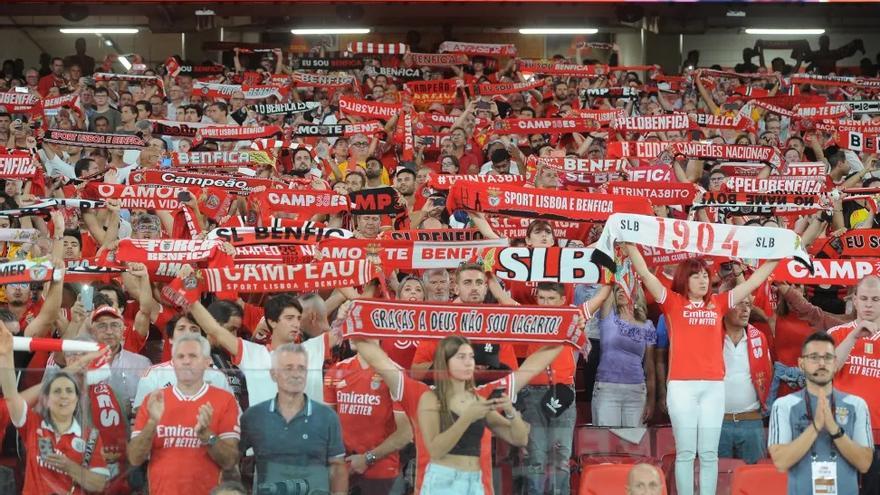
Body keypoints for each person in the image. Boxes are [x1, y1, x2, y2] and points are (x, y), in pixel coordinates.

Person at [624, 245, 780, 495]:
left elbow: (754, 283)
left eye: (706, 275)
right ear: (684, 279)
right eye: (696, 275)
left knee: (708, 454)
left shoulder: (718, 303)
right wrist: (629, 243)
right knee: (686, 452)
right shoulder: (672, 302)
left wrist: (779, 255)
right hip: (682, 387)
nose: (702, 279)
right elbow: (644, 272)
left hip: (713, 387)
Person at [0, 322, 110, 494]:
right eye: (57, 391)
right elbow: (11, 398)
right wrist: (5, 355)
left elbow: (100, 484)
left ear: (76, 399)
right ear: (47, 399)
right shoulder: (33, 423)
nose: (64, 396)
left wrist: (69, 467)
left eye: (68, 391)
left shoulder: (90, 436)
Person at [128, 334, 241, 495]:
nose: (186, 361)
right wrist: (152, 423)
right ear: (173, 362)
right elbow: (134, 458)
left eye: (193, 356)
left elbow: (230, 460)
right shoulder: (154, 400)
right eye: (180, 356)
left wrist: (206, 434)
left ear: (207, 361)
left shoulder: (224, 400)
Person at [768, 332, 874, 494]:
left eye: (828, 357)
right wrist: (816, 426)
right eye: (814, 357)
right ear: (801, 363)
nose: (822, 363)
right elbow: (781, 462)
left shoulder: (857, 405)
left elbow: (865, 463)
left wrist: (834, 429)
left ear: (835, 362)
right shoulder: (783, 405)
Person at [240, 343, 348, 495]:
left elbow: (337, 466)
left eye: (301, 368)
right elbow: (232, 462)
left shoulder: (327, 417)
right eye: (288, 368)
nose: (296, 374)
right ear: (273, 374)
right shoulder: (253, 417)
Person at [325, 339, 413, 495]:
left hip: (382, 472)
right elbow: (327, 426)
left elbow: (406, 433)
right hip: (344, 471)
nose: (353, 335)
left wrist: (367, 458)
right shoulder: (337, 371)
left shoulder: (395, 373)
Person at [827, 275, 880, 494]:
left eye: (876, 299)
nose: (868, 304)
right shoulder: (836, 334)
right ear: (855, 300)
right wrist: (854, 336)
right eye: (864, 298)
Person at [592, 283, 655, 428]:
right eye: (618, 289)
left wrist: (651, 400)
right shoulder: (608, 316)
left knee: (633, 447)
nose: (621, 292)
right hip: (607, 389)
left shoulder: (647, 325)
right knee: (606, 445)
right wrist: (618, 265)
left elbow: (649, 366)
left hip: (636, 391)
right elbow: (607, 285)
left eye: (626, 289)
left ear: (636, 294)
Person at [719, 295, 772, 464]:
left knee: (754, 483)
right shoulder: (710, 336)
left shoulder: (759, 338)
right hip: (717, 422)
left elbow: (767, 375)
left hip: (752, 421)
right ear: (724, 307)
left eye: (748, 304)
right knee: (718, 482)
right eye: (739, 304)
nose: (745, 309)